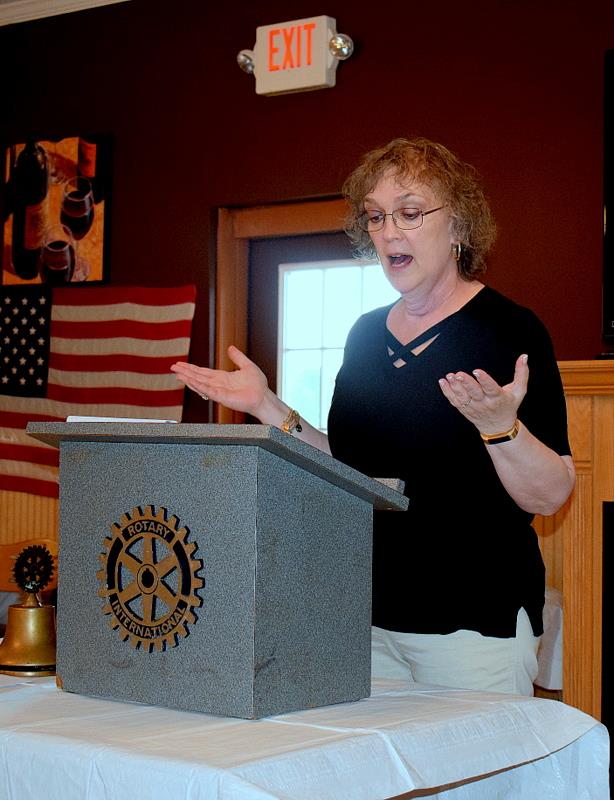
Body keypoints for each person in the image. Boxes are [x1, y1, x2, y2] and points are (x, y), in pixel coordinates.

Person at [171, 137, 575, 696]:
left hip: (472, 624)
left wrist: (499, 428)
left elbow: (551, 496)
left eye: (409, 213)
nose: (389, 232)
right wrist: (266, 405)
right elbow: (349, 467)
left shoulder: (510, 330)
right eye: (376, 216)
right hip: (363, 616)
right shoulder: (364, 334)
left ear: (458, 227)